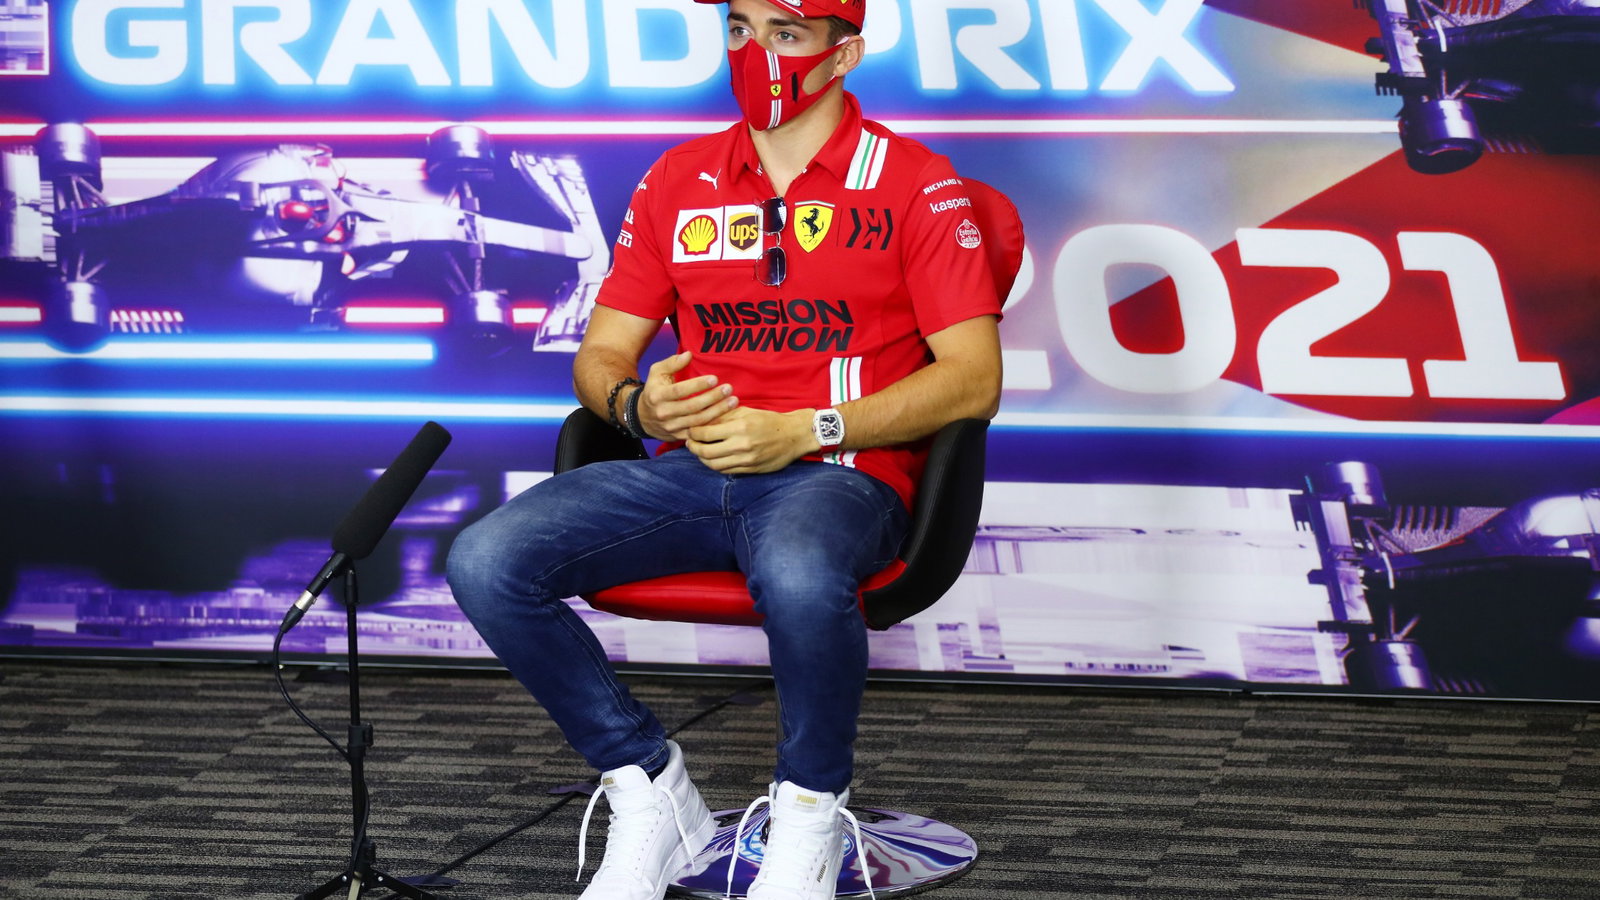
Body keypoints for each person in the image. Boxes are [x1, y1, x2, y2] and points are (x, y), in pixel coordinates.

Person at [445, 0, 1003, 896]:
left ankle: (810, 820)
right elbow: (600, 358)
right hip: (692, 472)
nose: (757, 52)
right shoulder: (678, 178)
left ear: (845, 52)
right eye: (741, 29)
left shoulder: (915, 182)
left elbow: (973, 380)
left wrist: (803, 428)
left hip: (841, 475)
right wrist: (637, 404)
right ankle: (650, 790)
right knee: (487, 556)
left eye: (786, 33)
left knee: (795, 570)